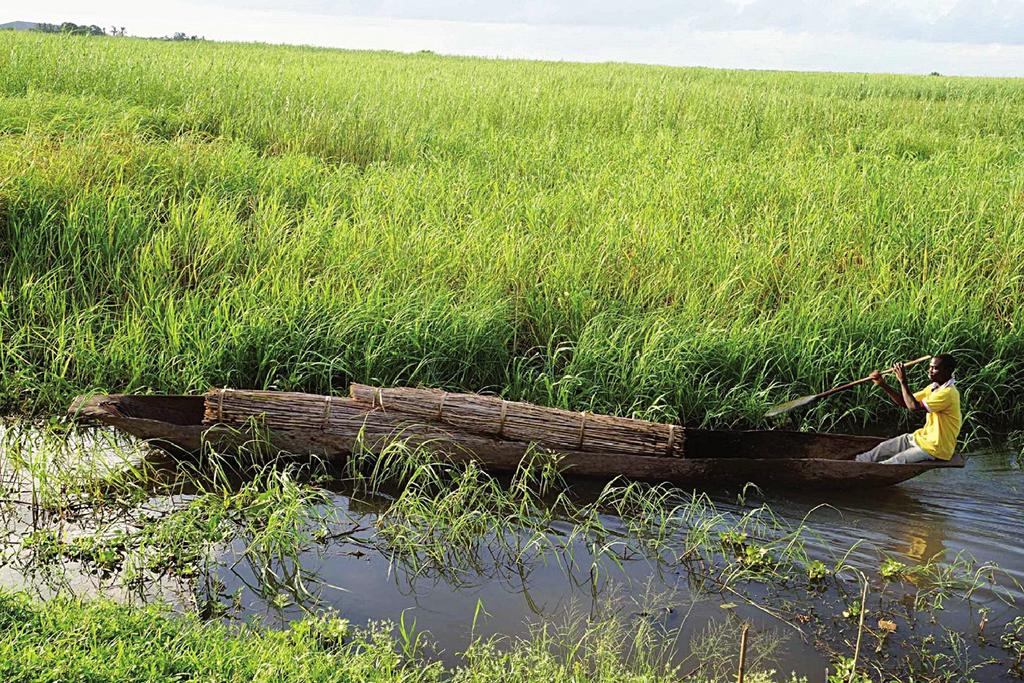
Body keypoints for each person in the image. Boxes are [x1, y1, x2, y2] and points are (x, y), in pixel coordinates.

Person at [854, 354, 961, 465]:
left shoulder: (948, 393)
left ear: (948, 370)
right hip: (922, 438)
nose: (930, 371)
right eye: (930, 367)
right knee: (883, 447)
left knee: (894, 462)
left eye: (935, 368)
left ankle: (869, 471)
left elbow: (913, 407)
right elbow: (904, 402)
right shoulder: (934, 388)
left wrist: (903, 381)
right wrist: (882, 384)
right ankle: (856, 462)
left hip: (936, 447)